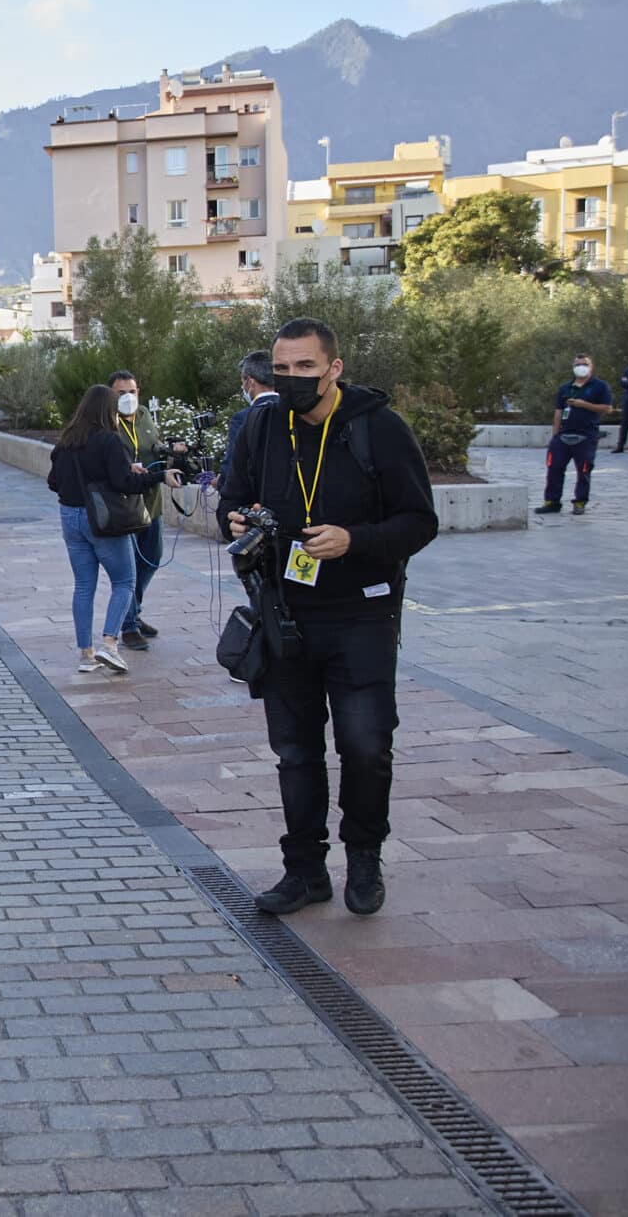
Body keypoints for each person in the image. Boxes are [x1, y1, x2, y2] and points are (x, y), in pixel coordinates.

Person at [218, 318, 438, 919]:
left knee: (366, 746)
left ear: (334, 369)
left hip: (361, 615)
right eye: (282, 368)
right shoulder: (264, 425)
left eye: (305, 369)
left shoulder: (378, 430)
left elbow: (420, 522)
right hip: (284, 615)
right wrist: (236, 522)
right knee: (295, 752)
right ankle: (304, 870)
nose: (292, 380)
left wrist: (354, 540)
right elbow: (232, 499)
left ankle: (364, 857)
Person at [47, 385, 179, 673]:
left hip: (70, 517)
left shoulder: (67, 441)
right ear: (108, 410)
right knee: (124, 581)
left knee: (83, 586)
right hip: (103, 520)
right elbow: (123, 484)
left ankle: (86, 654)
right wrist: (158, 476)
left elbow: (53, 481)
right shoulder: (109, 440)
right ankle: (109, 644)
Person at [107, 371, 173, 651]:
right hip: (124, 506)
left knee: (152, 559)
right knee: (130, 565)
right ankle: (129, 625)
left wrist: (169, 450)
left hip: (151, 501)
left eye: (131, 392)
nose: (127, 398)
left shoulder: (145, 416)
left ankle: (134, 610)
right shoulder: (106, 422)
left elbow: (151, 447)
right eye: (120, 393)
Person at [536, 354, 613, 515]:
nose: (581, 367)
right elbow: (558, 411)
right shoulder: (565, 387)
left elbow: (607, 408)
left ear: (591, 366)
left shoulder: (600, 386)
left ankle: (580, 502)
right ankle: (552, 502)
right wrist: (555, 435)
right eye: (577, 364)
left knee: (583, 471)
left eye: (584, 364)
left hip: (586, 436)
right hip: (562, 437)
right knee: (554, 469)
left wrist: (584, 405)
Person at [225, 349, 278, 462]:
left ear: (250, 382)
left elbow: (233, 464)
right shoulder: (295, 411)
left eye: (242, 382)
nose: (243, 387)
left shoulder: (242, 419)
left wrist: (219, 479)